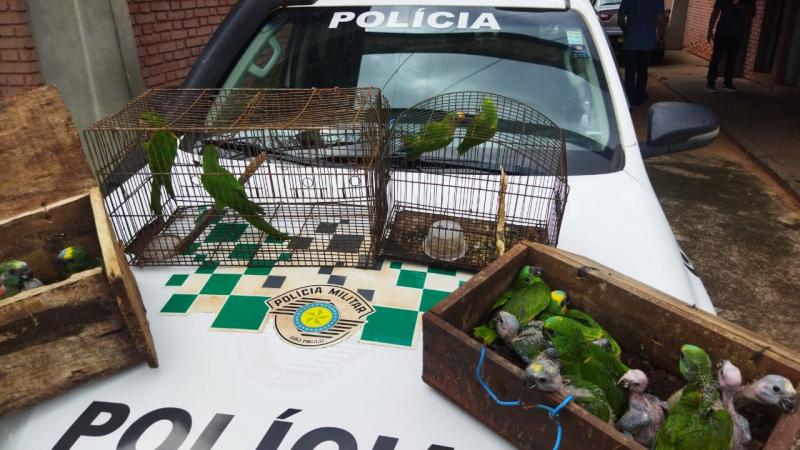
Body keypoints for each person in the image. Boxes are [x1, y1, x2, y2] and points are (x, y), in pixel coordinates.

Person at [618, 0, 666, 106]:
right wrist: (661, 38)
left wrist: (626, 31)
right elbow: (661, 20)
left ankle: (629, 97)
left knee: (630, 71)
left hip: (631, 41)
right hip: (647, 42)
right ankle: (640, 95)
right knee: (643, 70)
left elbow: (620, 20)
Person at [706, 0, 750, 92]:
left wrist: (743, 8)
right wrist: (710, 30)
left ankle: (728, 84)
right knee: (716, 57)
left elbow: (751, 14)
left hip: (737, 33)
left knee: (732, 59)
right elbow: (715, 13)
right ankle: (710, 84)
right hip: (722, 32)